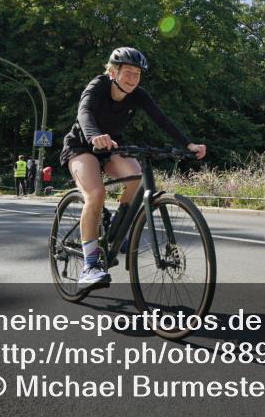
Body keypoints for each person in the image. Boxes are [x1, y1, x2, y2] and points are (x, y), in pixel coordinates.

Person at [60, 47, 206, 288]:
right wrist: (95, 135)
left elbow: (162, 120)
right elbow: (84, 112)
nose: (133, 79)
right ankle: (90, 265)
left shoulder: (138, 94)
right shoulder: (97, 86)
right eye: (128, 72)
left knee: (137, 179)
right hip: (81, 147)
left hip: (112, 147)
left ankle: (119, 227)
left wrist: (188, 143)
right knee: (96, 194)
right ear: (113, 72)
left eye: (137, 74)